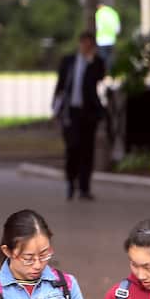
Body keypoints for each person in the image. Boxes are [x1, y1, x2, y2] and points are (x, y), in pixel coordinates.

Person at [52, 31, 106, 201]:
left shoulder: (96, 63)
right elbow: (60, 86)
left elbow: (98, 77)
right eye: (84, 43)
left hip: (88, 113)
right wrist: (55, 108)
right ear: (79, 43)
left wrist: (90, 61)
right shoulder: (68, 62)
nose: (86, 47)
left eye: (90, 44)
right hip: (71, 111)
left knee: (87, 150)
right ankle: (70, 181)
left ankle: (84, 188)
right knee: (72, 147)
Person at [94, 3, 120, 70]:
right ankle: (110, 72)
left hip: (101, 39)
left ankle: (103, 73)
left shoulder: (99, 13)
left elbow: (98, 26)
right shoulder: (113, 12)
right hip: (111, 38)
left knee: (102, 58)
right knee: (110, 57)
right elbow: (117, 28)